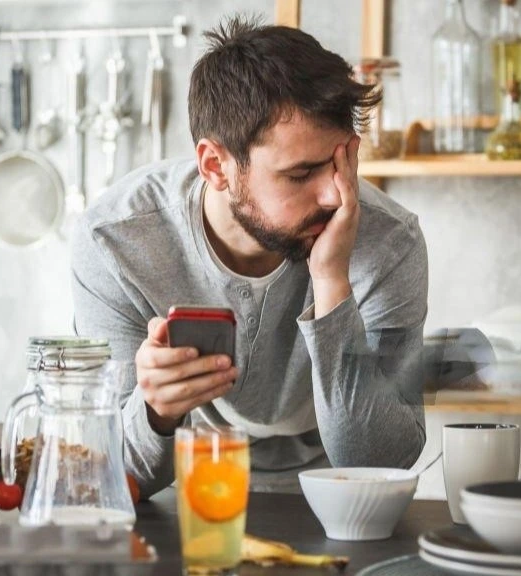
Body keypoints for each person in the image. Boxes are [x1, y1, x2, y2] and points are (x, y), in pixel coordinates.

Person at [70, 15, 428, 496]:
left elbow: (380, 462)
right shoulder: (114, 242)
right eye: (301, 174)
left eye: (340, 164)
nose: (334, 197)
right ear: (216, 166)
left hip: (330, 489)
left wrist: (331, 282)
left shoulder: (390, 243)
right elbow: (117, 472)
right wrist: (156, 410)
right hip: (189, 485)